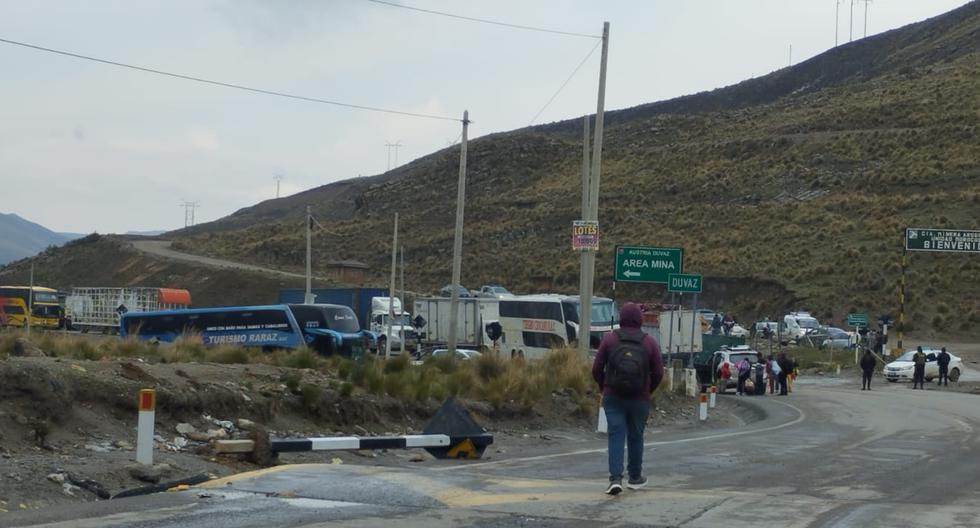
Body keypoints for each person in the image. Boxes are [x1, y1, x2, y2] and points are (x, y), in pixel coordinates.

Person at [592, 302, 664, 496]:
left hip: (613, 396)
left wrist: (604, 387)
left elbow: (596, 369)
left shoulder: (609, 340)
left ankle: (615, 479)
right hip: (640, 398)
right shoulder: (649, 342)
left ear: (621, 317)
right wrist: (648, 390)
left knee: (616, 435)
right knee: (636, 435)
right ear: (640, 319)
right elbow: (658, 372)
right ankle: (635, 477)